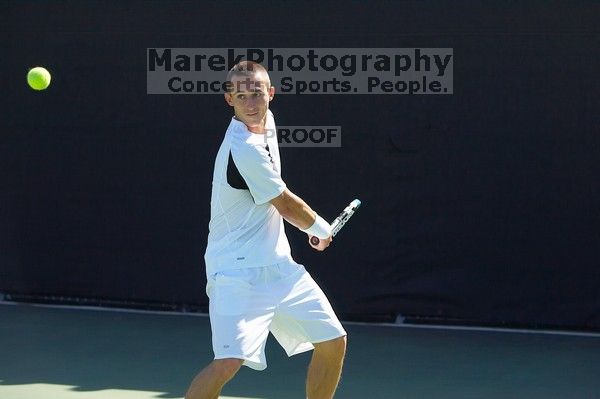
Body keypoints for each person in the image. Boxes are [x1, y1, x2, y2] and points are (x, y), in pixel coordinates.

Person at [185, 61, 347, 399]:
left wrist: (309, 229)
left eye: (257, 94)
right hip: (235, 271)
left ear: (270, 94)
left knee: (333, 341)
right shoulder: (243, 148)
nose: (251, 103)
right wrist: (319, 228)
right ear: (229, 100)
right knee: (228, 363)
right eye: (241, 96)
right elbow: (284, 203)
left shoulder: (267, 123)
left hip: (280, 268)